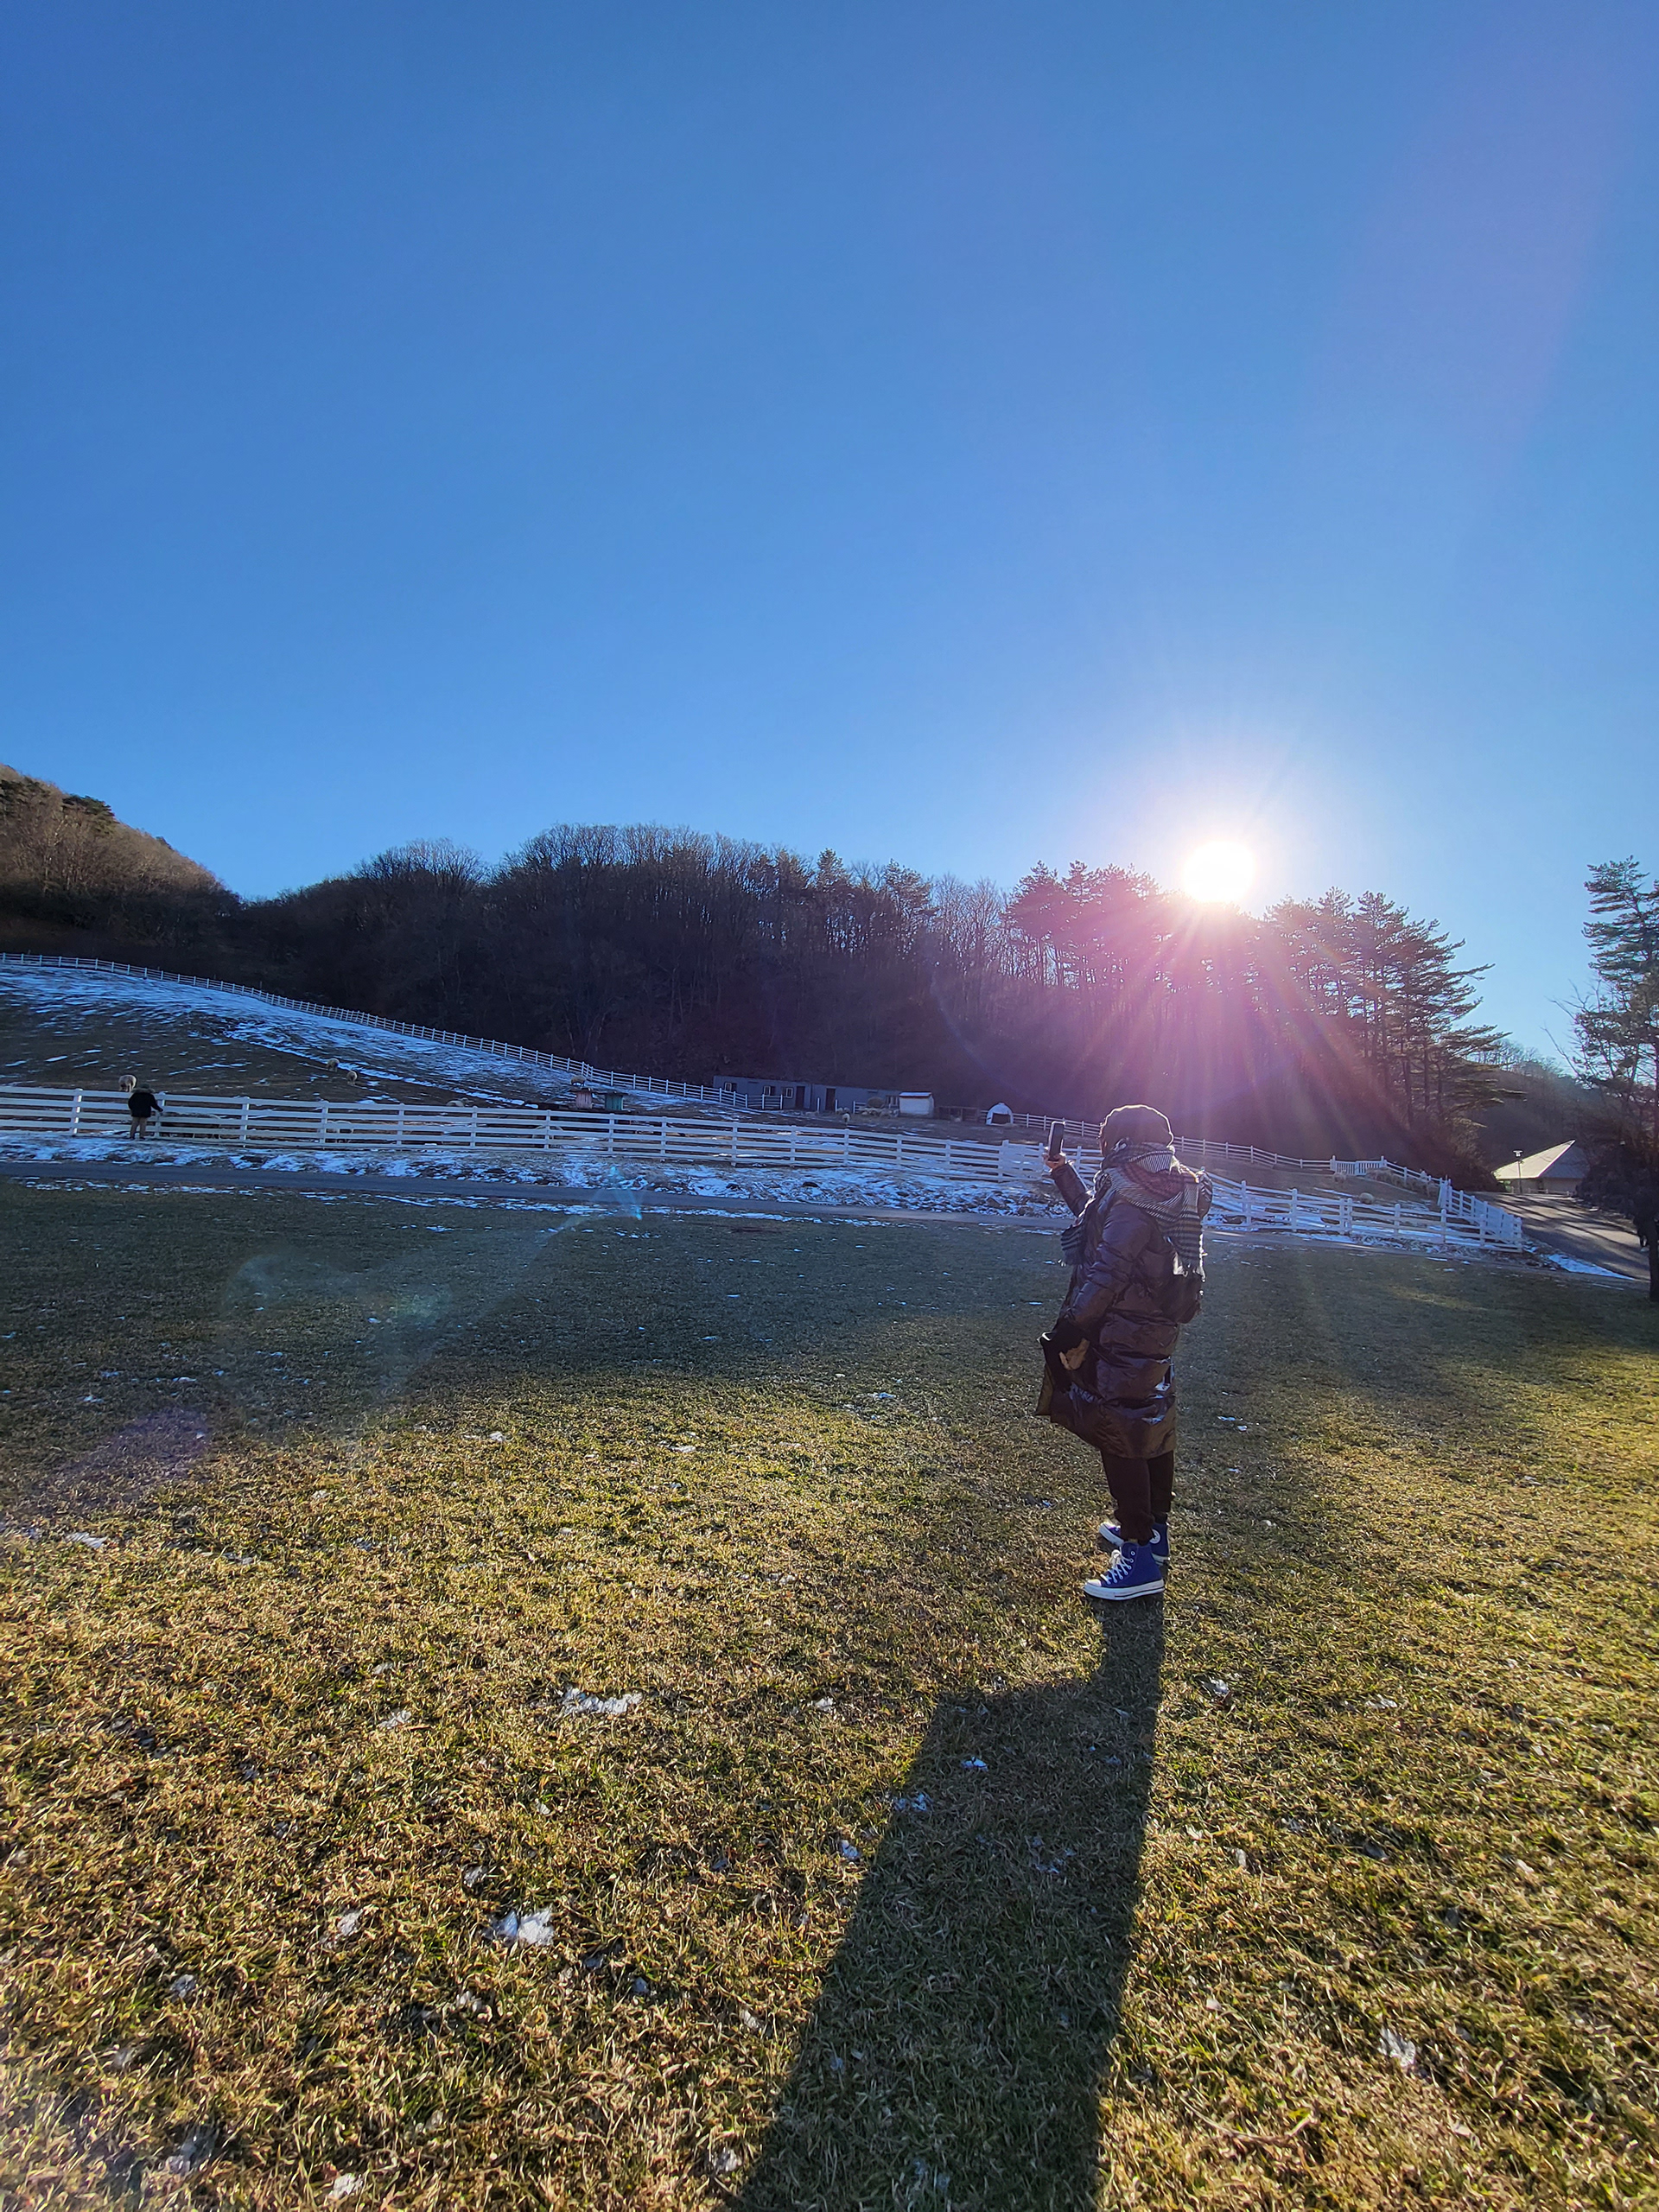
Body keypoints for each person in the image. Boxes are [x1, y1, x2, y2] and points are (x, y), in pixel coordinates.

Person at [1038, 1103, 1211, 1602]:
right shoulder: (1165, 1187)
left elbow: (1108, 1268)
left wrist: (1071, 1329)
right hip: (1153, 1331)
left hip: (1122, 1331)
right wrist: (1063, 1172)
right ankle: (1154, 1534)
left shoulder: (1134, 1199)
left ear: (1120, 1145)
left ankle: (1138, 1555)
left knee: (1121, 1433)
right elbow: (1098, 1217)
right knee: (1149, 1424)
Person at [122, 1075, 162, 1140]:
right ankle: (142, 1136)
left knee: (134, 1124)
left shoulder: (136, 1095)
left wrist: (132, 1109)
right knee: (143, 1125)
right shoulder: (149, 1096)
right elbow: (153, 1104)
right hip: (145, 1112)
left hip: (136, 1112)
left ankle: (132, 1136)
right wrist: (159, 1109)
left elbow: (130, 1102)